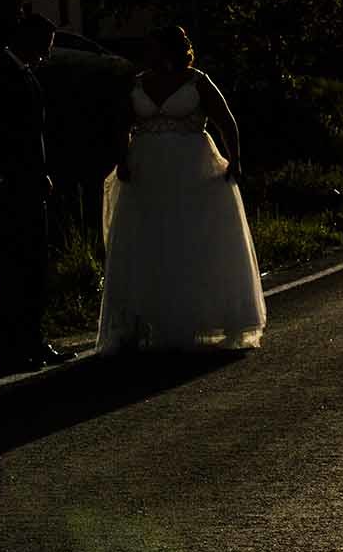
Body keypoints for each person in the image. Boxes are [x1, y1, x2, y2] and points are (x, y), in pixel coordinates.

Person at [97, 25, 266, 353]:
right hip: (147, 171)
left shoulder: (198, 81)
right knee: (148, 243)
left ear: (173, 50)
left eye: (158, 48)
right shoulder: (138, 83)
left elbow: (225, 121)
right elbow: (120, 124)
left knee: (189, 242)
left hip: (192, 170)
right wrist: (123, 160)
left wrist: (236, 160)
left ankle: (194, 319)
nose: (152, 54)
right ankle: (144, 321)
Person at [0, 11, 72, 374]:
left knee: (31, 266)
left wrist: (40, 174)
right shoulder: (0, 74)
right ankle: (13, 348)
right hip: (10, 189)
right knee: (15, 267)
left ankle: (29, 342)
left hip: (28, 184)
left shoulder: (21, 73)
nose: (48, 54)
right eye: (45, 46)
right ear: (29, 41)